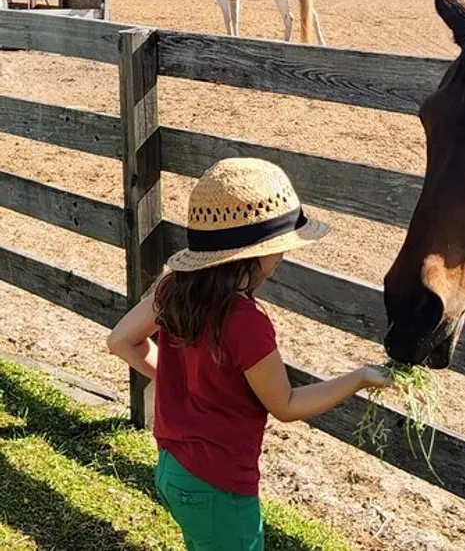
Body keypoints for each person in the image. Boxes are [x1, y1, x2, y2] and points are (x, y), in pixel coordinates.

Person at [107, 157, 393, 550]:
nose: (282, 257)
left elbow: (121, 340)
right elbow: (287, 404)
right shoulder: (246, 322)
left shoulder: (173, 288)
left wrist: (177, 382)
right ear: (254, 253)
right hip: (219, 487)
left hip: (173, 468)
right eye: (279, 249)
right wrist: (359, 377)